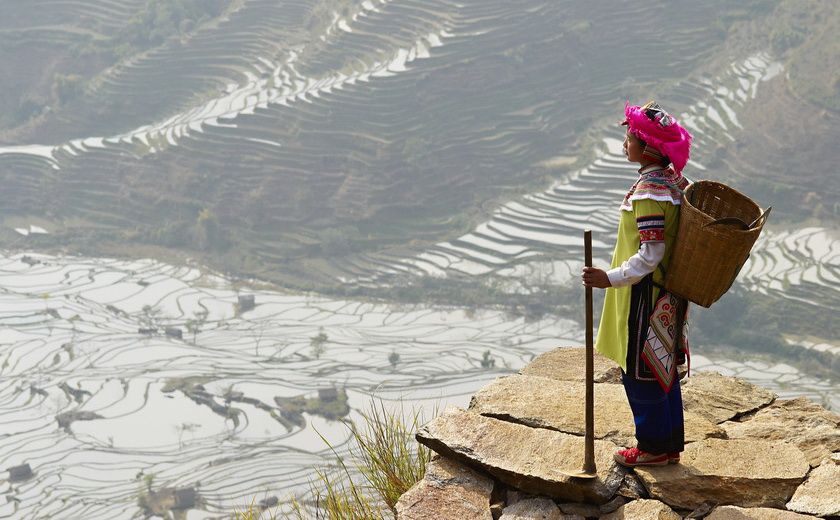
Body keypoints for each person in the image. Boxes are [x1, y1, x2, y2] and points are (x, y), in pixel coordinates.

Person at [581, 101, 692, 467]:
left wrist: (607, 278)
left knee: (641, 370)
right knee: (661, 368)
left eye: (628, 138)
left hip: (644, 295)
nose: (623, 145)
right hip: (666, 293)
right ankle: (668, 443)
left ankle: (651, 447)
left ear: (647, 148)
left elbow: (650, 255)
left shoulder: (649, 193)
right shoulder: (671, 182)